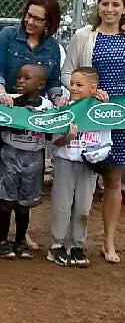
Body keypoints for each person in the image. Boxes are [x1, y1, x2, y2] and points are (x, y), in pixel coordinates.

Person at [0, 0, 65, 249]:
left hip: (33, 121)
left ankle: (20, 235)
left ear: (49, 23)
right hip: (4, 114)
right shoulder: (8, 36)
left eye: (37, 19)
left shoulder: (53, 47)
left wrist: (57, 99)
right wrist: (0, 93)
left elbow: (52, 83)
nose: (30, 21)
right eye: (28, 15)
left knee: (27, 181)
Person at [62, 0, 125, 263]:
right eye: (105, 4)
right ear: (98, 6)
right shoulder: (83, 36)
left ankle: (108, 242)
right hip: (88, 119)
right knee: (81, 180)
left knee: (113, 181)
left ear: (124, 9)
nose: (109, 10)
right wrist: (82, 93)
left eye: (115, 5)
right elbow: (67, 73)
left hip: (119, 119)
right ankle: (71, 240)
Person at [48, 67, 110, 268]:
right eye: (72, 84)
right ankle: (57, 245)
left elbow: (105, 141)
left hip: (89, 165)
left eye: (79, 85)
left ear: (93, 88)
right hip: (66, 160)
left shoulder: (100, 110)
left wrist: (97, 156)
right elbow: (55, 142)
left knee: (83, 206)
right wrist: (69, 136)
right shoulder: (65, 108)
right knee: (62, 205)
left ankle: (77, 245)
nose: (73, 88)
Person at [0, 64, 52, 259]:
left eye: (26, 78)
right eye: (18, 77)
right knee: (5, 200)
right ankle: (2, 240)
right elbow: (1, 127)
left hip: (34, 157)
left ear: (41, 84)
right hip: (10, 153)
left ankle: (20, 240)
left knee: (24, 203)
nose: (20, 81)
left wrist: (36, 117)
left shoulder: (47, 106)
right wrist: (17, 112)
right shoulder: (10, 101)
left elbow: (50, 133)